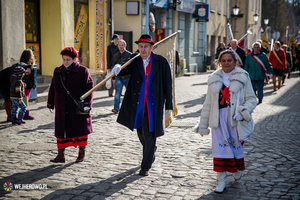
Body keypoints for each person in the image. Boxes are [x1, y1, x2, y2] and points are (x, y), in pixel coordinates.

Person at [193, 50, 257, 193]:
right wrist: (203, 124)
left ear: (235, 62)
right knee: (219, 149)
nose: (226, 63)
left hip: (235, 121)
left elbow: (252, 99)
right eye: (224, 60)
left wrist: (243, 112)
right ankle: (221, 180)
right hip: (218, 120)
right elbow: (208, 103)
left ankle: (236, 168)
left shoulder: (243, 77)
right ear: (220, 62)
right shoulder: (214, 79)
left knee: (234, 147)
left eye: (229, 60)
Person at [111, 34, 173, 176]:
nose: (143, 49)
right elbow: (124, 71)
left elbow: (168, 84)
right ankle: (151, 151)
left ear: (151, 47)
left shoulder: (161, 62)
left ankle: (145, 166)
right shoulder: (134, 60)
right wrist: (118, 68)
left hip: (153, 105)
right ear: (138, 48)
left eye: (146, 46)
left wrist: (169, 104)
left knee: (149, 133)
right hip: (137, 104)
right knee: (141, 134)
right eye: (140, 46)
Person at [47, 47, 94, 163]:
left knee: (80, 130)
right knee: (61, 130)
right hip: (61, 107)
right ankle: (60, 155)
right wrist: (50, 103)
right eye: (64, 59)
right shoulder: (57, 71)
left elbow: (89, 87)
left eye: (68, 59)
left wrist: (87, 103)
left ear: (74, 59)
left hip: (77, 107)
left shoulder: (83, 71)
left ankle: (81, 153)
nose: (65, 62)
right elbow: (53, 88)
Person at [111, 39, 132, 114]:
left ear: (125, 46)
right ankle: (116, 108)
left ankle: (131, 108)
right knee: (117, 93)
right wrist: (113, 78)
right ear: (118, 46)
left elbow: (132, 66)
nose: (121, 47)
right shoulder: (115, 56)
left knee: (129, 93)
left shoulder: (129, 55)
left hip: (127, 77)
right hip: (118, 77)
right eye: (120, 45)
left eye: (122, 45)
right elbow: (113, 67)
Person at [20, 49, 36, 120]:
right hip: (27, 86)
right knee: (25, 99)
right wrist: (33, 85)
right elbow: (31, 77)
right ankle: (25, 114)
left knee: (23, 100)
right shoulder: (28, 66)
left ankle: (23, 114)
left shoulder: (20, 65)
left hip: (22, 85)